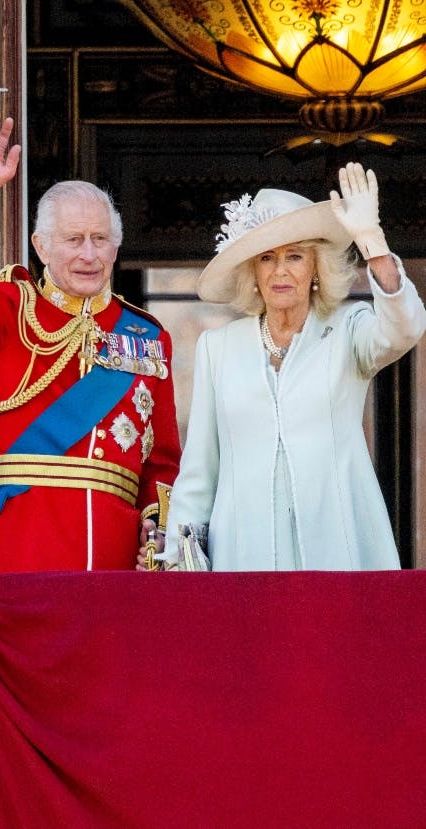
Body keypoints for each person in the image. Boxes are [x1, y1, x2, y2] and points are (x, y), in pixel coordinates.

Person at [0, 113, 181, 573]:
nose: (89, 254)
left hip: (113, 559)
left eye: (100, 239)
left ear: (116, 249)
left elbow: (161, 462)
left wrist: (156, 531)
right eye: (73, 239)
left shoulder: (147, 336)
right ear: (41, 247)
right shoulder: (8, 310)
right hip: (15, 549)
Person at [161, 163, 426, 571]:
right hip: (243, 554)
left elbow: (404, 329)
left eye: (295, 256)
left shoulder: (347, 330)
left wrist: (372, 242)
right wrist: (183, 560)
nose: (280, 270)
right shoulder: (219, 347)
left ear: (316, 269)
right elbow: (199, 470)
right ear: (254, 271)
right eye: (267, 258)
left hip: (339, 549)